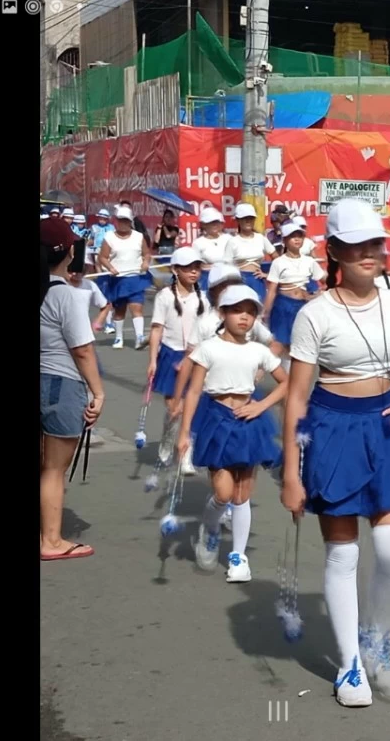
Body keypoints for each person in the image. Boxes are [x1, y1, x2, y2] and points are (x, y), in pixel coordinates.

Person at [280, 198, 390, 706]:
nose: (370, 253)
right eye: (358, 246)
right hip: (331, 430)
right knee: (343, 551)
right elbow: (297, 398)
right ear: (334, 252)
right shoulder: (314, 314)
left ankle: (378, 636)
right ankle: (351, 664)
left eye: (376, 243)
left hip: (386, 425)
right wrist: (290, 473)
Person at [178, 285, 287, 583]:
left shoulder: (258, 351)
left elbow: (286, 382)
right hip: (217, 418)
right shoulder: (209, 348)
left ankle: (238, 556)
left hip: (248, 420)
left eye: (251, 313)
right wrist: (184, 432)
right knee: (223, 493)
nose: (244, 318)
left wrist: (261, 405)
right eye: (238, 311)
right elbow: (195, 390)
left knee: (242, 494)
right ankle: (210, 529)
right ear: (223, 313)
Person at [41, 218, 105, 561]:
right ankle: (51, 540)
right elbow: (82, 349)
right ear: (68, 251)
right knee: (53, 468)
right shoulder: (64, 293)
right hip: (58, 383)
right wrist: (98, 392)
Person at [147, 248, 207, 457]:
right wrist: (153, 360)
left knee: (192, 406)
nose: (193, 272)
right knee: (174, 407)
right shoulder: (164, 296)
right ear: (175, 270)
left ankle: (187, 455)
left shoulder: (203, 298)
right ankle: (167, 439)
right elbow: (157, 329)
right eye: (188, 268)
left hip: (196, 356)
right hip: (170, 354)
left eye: (197, 268)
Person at [264, 222, 327, 364]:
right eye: (293, 237)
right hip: (283, 306)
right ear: (285, 240)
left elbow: (324, 279)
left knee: (299, 345)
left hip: (302, 306)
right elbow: (272, 290)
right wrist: (265, 313)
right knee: (278, 344)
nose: (297, 239)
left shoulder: (309, 261)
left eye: (300, 236)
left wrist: (319, 293)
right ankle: (257, 376)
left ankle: (293, 380)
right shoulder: (279, 262)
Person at [98, 205, 153, 350]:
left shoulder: (138, 236)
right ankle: (119, 337)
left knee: (137, 307)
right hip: (118, 279)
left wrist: (146, 262)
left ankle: (139, 337)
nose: (123, 223)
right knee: (120, 310)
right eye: (120, 220)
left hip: (136, 277)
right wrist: (111, 268)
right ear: (116, 221)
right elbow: (102, 257)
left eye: (126, 221)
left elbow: (146, 254)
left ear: (130, 221)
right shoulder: (109, 237)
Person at [226, 202, 277, 301]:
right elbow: (225, 265)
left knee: (259, 311)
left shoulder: (260, 238)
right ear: (238, 220)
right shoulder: (233, 241)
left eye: (251, 218)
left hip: (257, 280)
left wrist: (268, 275)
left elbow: (277, 258)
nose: (248, 221)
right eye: (244, 218)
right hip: (239, 281)